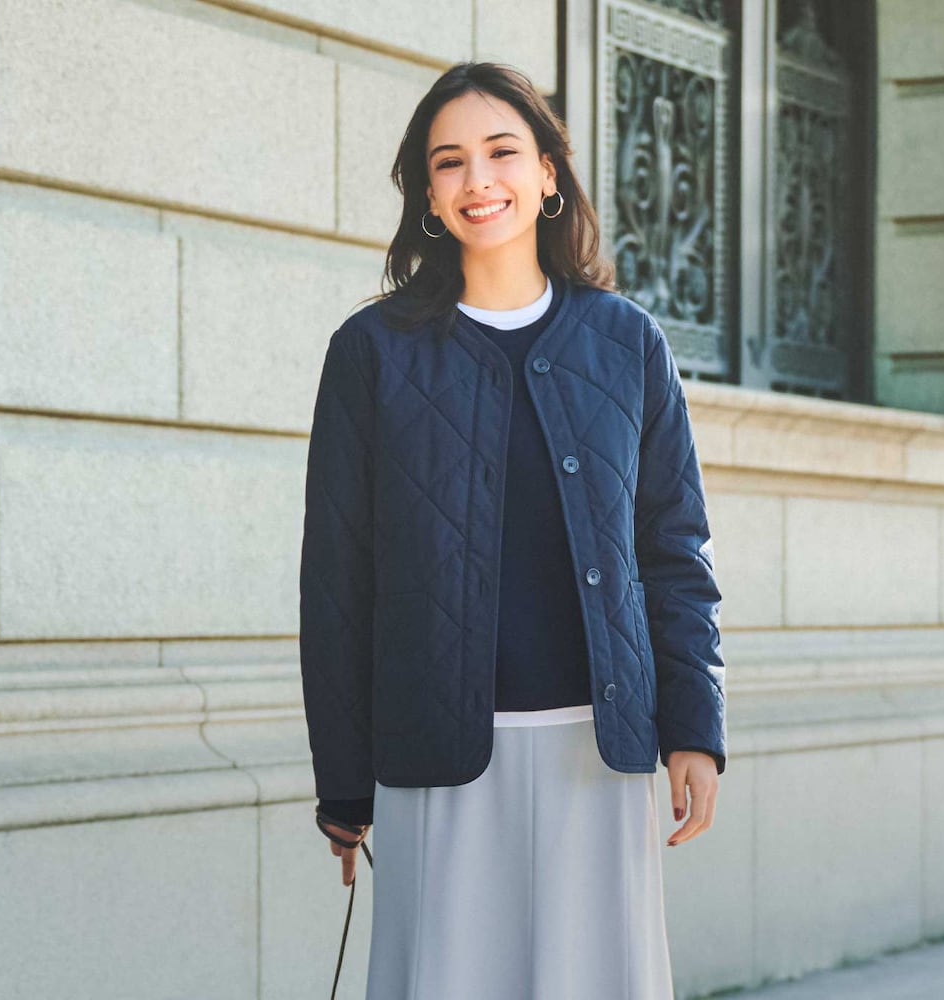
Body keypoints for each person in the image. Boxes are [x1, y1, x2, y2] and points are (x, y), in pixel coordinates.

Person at [299, 60, 727, 1000]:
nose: (477, 180)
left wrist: (694, 725)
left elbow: (673, 550)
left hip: (598, 746)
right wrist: (345, 783)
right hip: (435, 755)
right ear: (428, 197)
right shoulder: (371, 354)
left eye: (501, 152)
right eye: (448, 163)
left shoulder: (628, 345)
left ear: (547, 176)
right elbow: (337, 579)